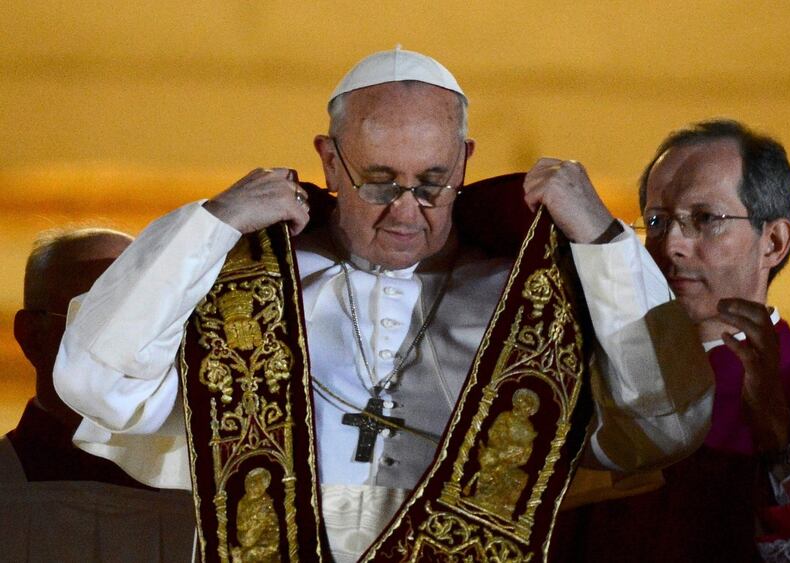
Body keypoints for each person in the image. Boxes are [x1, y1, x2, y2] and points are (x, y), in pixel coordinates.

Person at [53, 48, 713, 562]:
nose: (407, 212)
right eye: (379, 181)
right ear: (330, 163)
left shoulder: (531, 306)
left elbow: (666, 427)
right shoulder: (242, 288)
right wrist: (211, 224)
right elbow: (98, 382)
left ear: (465, 160)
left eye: (433, 182)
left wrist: (603, 239)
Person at [550, 119, 790, 562]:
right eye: (657, 221)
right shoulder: (585, 370)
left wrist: (779, 445)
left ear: (774, 242)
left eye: (706, 219)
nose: (672, 246)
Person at [1, 227, 196, 562]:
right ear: (31, 334)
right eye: (100, 316)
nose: (132, 338)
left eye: (143, 315)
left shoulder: (202, 492)